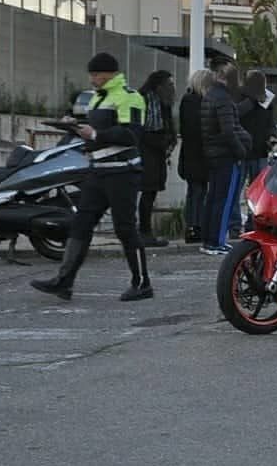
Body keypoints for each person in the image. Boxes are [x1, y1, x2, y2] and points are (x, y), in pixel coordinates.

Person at [31, 53, 154, 302]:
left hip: (123, 172)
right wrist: (74, 126)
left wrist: (94, 134)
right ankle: (64, 281)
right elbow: (95, 130)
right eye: (91, 75)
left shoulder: (129, 96)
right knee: (81, 224)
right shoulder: (97, 98)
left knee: (125, 228)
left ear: (109, 74)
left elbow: (131, 135)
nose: (92, 79)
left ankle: (142, 283)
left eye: (96, 74)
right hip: (98, 171)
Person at [199, 63, 252, 255]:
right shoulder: (223, 99)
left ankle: (208, 240)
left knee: (213, 198)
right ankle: (216, 241)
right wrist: (240, 151)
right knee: (224, 200)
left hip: (213, 154)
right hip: (226, 156)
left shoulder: (210, 96)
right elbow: (228, 130)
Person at [136, 70, 177, 247]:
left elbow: (169, 125)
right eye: (169, 84)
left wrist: (169, 141)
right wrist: (162, 143)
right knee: (148, 191)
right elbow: (144, 131)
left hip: (158, 152)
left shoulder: (163, 102)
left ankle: (145, 232)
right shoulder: (146, 100)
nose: (172, 88)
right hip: (147, 152)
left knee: (151, 192)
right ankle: (144, 232)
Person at [236, 69, 276, 234]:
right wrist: (253, 99)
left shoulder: (267, 100)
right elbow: (236, 113)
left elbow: (270, 122)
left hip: (260, 150)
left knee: (258, 192)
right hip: (242, 151)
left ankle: (254, 223)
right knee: (236, 191)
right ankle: (234, 225)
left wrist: (272, 136)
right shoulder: (240, 96)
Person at [176, 69, 213, 244]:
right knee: (197, 192)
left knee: (197, 191)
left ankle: (194, 226)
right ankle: (194, 226)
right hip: (198, 154)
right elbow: (196, 129)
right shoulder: (195, 102)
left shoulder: (188, 100)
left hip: (192, 154)